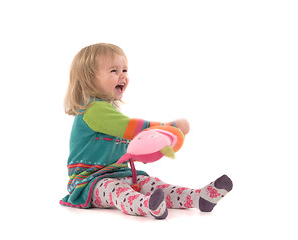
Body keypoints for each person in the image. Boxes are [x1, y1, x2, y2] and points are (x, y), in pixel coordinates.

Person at [60, 43, 233, 219]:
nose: (123, 76)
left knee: (153, 184)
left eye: (125, 70)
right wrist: (170, 127)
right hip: (89, 182)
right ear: (89, 78)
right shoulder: (93, 110)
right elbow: (132, 129)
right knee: (117, 191)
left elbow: (129, 147)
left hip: (120, 173)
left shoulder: (109, 110)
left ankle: (198, 197)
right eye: (114, 71)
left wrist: (147, 152)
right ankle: (147, 205)